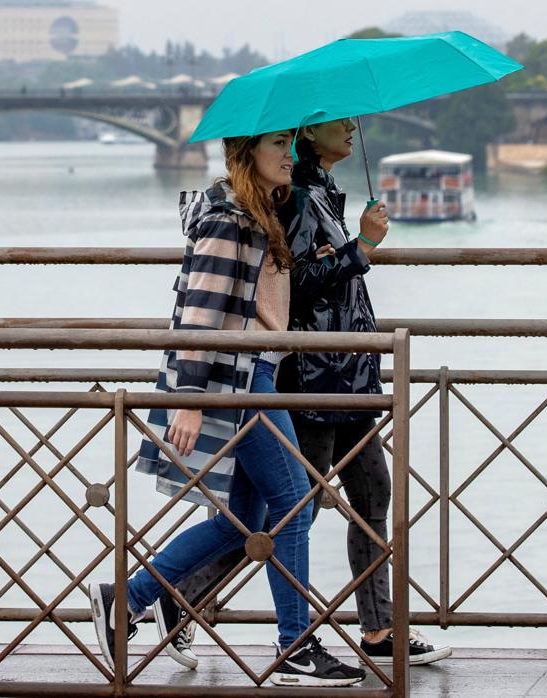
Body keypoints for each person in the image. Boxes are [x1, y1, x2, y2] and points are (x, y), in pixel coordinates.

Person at [152, 117, 451, 670]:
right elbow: (271, 293)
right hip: (307, 376)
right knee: (291, 511)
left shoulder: (307, 197)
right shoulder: (281, 203)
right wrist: (361, 246)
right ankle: (205, 608)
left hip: (344, 372)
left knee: (362, 498)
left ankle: (376, 628)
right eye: (342, 122)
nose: (354, 131)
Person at [89, 130, 365, 688]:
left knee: (247, 520)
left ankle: (128, 598)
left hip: (254, 371)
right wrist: (191, 399)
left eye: (290, 146)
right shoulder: (228, 217)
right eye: (279, 147)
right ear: (247, 155)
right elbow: (200, 308)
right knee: (293, 508)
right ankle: (295, 645)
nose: (290, 157)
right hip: (240, 380)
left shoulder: (258, 211)